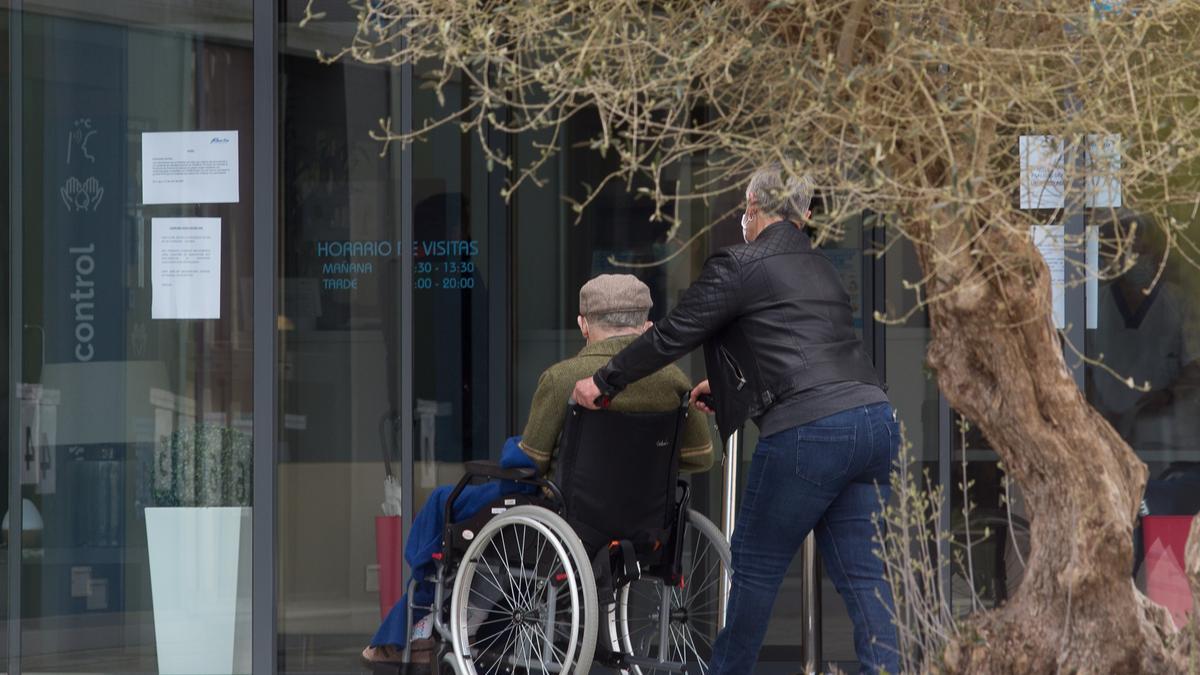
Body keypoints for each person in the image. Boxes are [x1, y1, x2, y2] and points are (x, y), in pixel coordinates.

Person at [573, 163, 901, 674]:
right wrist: (723, 392)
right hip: (873, 420)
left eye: (744, 211)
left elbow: (670, 335)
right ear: (806, 214)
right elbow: (798, 346)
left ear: (751, 208)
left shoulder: (740, 264)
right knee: (864, 578)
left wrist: (603, 380)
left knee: (754, 567)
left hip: (809, 431)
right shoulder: (821, 267)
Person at [362, 274, 714, 665]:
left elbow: (527, 463)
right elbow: (701, 457)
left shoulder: (564, 377)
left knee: (446, 503)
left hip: (569, 523)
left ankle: (418, 624)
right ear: (648, 326)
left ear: (583, 324)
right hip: (646, 524)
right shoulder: (675, 381)